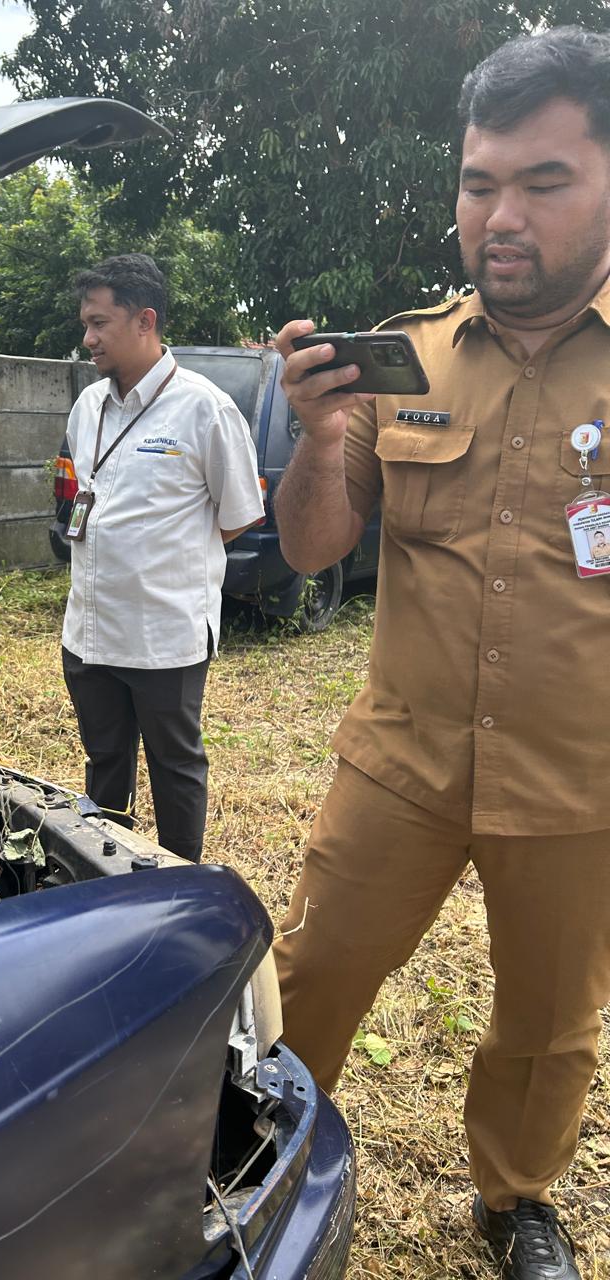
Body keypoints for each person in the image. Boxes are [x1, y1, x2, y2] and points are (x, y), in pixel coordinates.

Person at [271, 27, 610, 1280]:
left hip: (581, 780)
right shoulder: (404, 361)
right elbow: (313, 550)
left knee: (548, 1023)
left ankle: (514, 1198)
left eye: (544, 180)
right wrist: (315, 438)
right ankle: (263, 1153)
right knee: (310, 970)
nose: (500, 214)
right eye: (480, 183)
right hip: (401, 762)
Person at [62, 254, 263, 862]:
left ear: (145, 320)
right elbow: (83, 498)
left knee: (175, 765)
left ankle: (181, 883)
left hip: (164, 633)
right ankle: (108, 867)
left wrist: (166, 562)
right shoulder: (88, 406)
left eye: (100, 323)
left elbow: (240, 515)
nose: (88, 337)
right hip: (89, 628)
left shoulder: (205, 408)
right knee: (104, 760)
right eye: (86, 323)